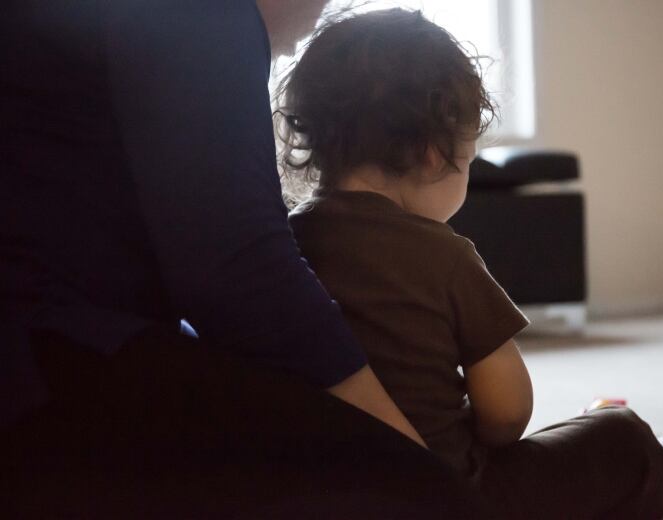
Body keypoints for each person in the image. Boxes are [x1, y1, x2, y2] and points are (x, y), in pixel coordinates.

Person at [0, 0, 490, 517]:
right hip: (40, 360)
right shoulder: (201, 13)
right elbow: (238, 269)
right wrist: (415, 463)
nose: (318, 16)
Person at [282, 9, 663, 518]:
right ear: (435, 155)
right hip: (452, 495)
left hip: (311, 491)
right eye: (470, 159)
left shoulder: (280, 247)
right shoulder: (444, 255)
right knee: (619, 436)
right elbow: (508, 413)